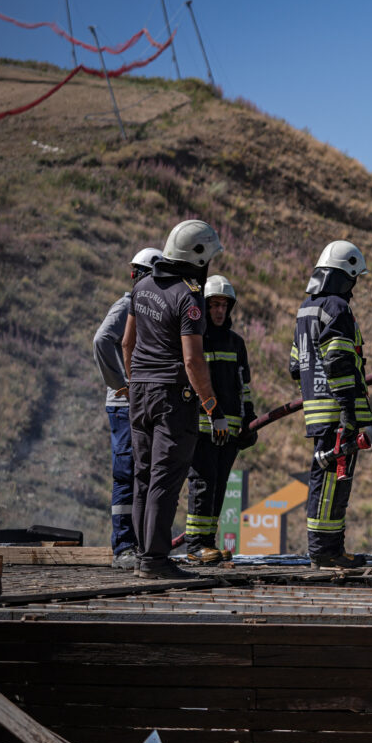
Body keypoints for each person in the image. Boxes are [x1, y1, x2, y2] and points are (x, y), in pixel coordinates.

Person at [122, 220, 226, 580]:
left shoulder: (142, 286)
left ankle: (142, 555)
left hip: (140, 393)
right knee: (165, 478)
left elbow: (126, 344)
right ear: (197, 257)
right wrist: (212, 405)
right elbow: (192, 360)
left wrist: (136, 383)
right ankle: (154, 560)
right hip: (172, 398)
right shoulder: (189, 295)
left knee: (143, 476)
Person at [289, 240, 372, 569]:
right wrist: (348, 412)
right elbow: (339, 361)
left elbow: (294, 366)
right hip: (337, 410)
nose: (354, 288)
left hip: (317, 408)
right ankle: (326, 552)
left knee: (323, 479)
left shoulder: (306, 309)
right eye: (354, 279)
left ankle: (324, 549)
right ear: (344, 277)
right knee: (332, 483)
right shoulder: (337, 310)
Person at [92, 247, 162, 570]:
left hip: (139, 404)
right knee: (126, 473)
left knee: (141, 472)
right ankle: (123, 547)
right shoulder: (126, 306)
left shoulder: (146, 310)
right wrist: (121, 382)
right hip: (124, 406)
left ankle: (138, 543)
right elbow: (102, 340)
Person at [184, 275, 259, 564]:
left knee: (218, 487)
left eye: (223, 305)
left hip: (229, 432)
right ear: (203, 306)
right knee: (202, 485)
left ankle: (208, 543)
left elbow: (244, 385)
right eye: (213, 305)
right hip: (203, 429)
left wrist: (247, 419)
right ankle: (194, 545)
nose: (218, 311)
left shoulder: (236, 343)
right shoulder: (195, 340)